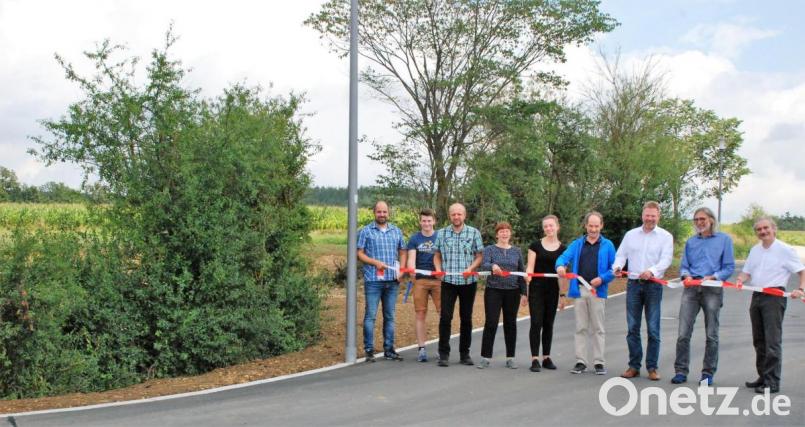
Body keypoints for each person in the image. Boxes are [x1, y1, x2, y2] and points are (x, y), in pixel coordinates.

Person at [737, 216, 805, 394]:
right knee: (759, 340)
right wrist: (739, 279)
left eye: (766, 228)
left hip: (774, 297)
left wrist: (801, 289)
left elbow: (801, 271)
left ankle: (772, 382)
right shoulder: (755, 250)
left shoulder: (784, 249)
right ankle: (763, 376)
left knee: (772, 341)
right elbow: (746, 272)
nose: (763, 232)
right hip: (757, 295)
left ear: (774, 229)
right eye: (759, 229)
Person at [672, 207, 735, 385]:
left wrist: (714, 277)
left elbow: (729, 267)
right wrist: (686, 275)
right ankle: (681, 371)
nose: (699, 222)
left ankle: (707, 374)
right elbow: (684, 265)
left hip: (712, 289)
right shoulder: (691, 242)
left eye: (702, 219)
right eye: (696, 220)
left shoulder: (724, 240)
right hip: (691, 289)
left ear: (711, 220)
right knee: (683, 333)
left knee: (711, 334)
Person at [613, 201, 673, 381]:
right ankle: (634, 366)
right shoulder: (631, 235)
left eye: (653, 216)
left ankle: (652, 367)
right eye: (647, 215)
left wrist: (652, 271)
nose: (650, 219)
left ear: (658, 217)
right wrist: (617, 267)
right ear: (642, 215)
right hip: (633, 285)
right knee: (632, 328)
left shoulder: (665, 236)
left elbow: (666, 259)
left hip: (653, 285)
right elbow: (621, 255)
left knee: (653, 328)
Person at [555, 211, 616, 375]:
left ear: (601, 226)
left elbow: (615, 269)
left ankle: (599, 362)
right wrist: (560, 266)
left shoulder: (608, 245)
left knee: (598, 328)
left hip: (597, 291)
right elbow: (562, 258)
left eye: (597, 226)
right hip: (580, 290)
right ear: (586, 226)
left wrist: (602, 279)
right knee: (580, 327)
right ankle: (581, 361)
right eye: (591, 226)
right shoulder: (577, 244)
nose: (593, 229)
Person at [433, 203, 484, 367]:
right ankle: (443, 354)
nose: (456, 217)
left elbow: (479, 256)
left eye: (459, 214)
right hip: (448, 282)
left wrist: (471, 268)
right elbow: (437, 255)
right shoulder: (441, 233)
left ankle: (465, 354)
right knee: (445, 317)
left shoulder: (474, 232)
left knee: (466, 318)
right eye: (453, 214)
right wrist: (438, 270)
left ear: (464, 215)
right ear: (450, 215)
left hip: (468, 282)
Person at [357, 201, 407, 362]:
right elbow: (360, 254)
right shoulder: (366, 231)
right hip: (373, 280)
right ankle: (369, 350)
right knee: (370, 316)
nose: (382, 214)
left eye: (384, 212)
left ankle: (389, 349)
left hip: (392, 281)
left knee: (390, 316)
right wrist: (374, 262)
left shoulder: (396, 231)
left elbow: (403, 251)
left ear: (388, 213)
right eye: (379, 212)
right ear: (374, 213)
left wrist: (402, 269)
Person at [477, 222, 528, 369]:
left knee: (510, 323)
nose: (504, 234)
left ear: (510, 234)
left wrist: (524, 292)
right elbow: (484, 264)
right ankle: (485, 357)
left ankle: (510, 357)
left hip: (513, 291)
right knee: (491, 322)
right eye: (501, 231)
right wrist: (492, 266)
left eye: (507, 231)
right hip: (494, 290)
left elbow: (521, 272)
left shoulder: (516, 251)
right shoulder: (490, 249)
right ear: (497, 234)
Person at [525, 215, 566, 372]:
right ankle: (534, 358)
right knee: (536, 322)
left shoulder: (563, 249)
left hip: (552, 290)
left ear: (557, 226)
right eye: (546, 226)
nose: (548, 229)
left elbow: (563, 275)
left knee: (549, 324)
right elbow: (530, 267)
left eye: (551, 226)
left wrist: (562, 295)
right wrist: (528, 277)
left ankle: (546, 357)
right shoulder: (535, 246)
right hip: (536, 288)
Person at [406, 208, 441, 362]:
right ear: (420, 222)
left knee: (443, 314)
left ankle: (442, 347)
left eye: (429, 220)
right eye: (424, 220)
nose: (426, 223)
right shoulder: (414, 239)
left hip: (438, 280)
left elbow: (443, 256)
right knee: (420, 313)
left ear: (434, 221)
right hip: (420, 280)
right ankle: (421, 348)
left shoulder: (440, 236)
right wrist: (411, 270)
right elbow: (411, 258)